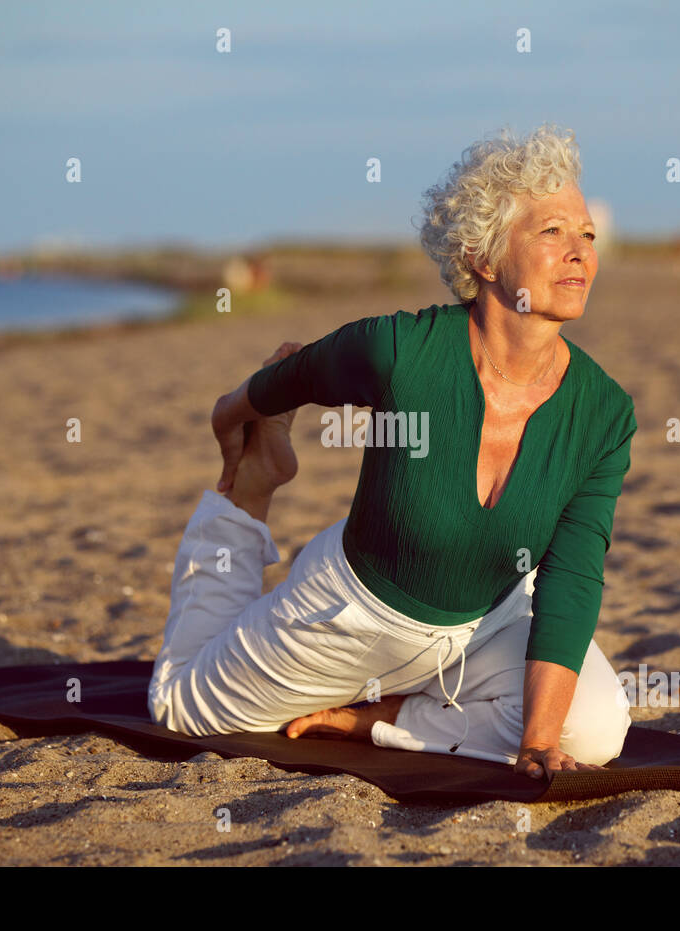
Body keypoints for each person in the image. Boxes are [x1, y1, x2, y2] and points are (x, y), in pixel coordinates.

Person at [148, 123, 637, 780]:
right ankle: (254, 493)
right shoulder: (402, 352)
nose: (580, 252)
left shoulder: (605, 412)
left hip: (484, 624)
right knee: (180, 707)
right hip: (350, 614)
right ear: (482, 258)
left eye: (587, 235)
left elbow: (572, 577)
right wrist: (237, 413)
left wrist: (540, 742)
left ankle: (390, 717)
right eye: (552, 232)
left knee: (598, 728)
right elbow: (300, 371)